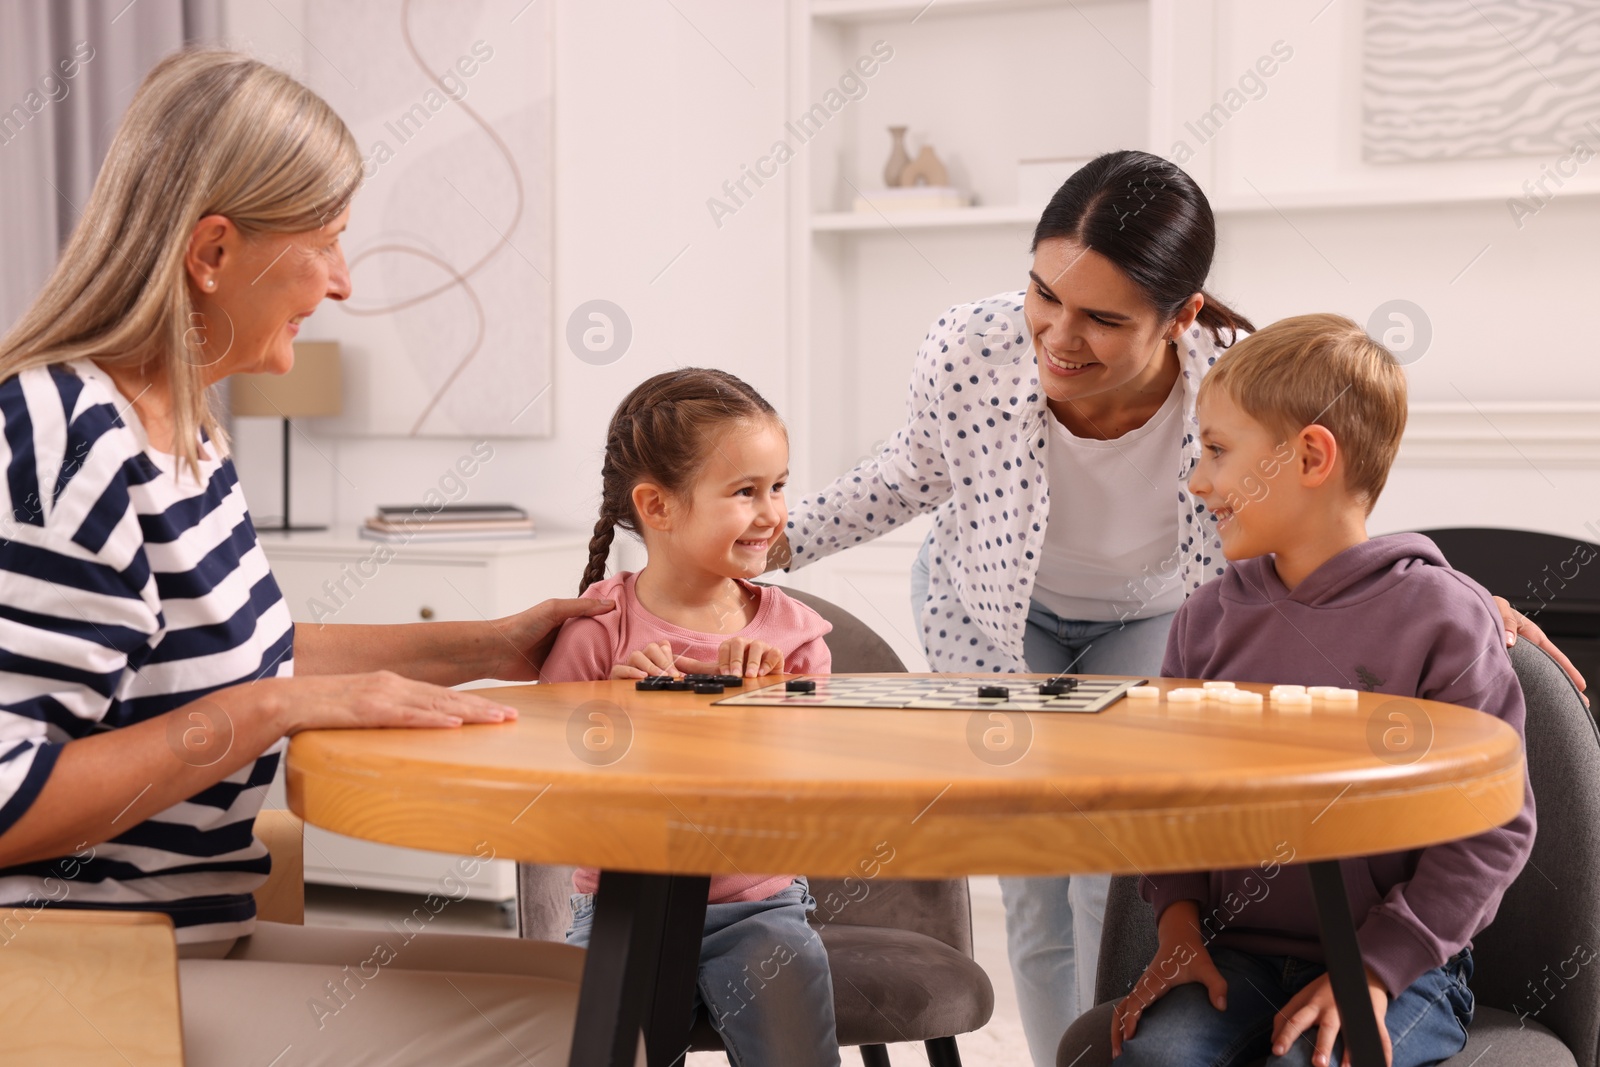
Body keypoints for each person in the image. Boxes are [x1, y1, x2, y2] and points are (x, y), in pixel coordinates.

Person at [772, 150, 1579, 1066]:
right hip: (996, 606)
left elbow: (1330, 509)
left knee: (1102, 864)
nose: (1058, 335)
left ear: (1182, 315)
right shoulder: (972, 350)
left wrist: (1456, 591)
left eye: (1102, 318)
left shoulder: (1233, 384)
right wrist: (748, 544)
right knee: (1035, 878)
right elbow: (903, 475)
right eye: (1044, 293)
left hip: (1150, 607)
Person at [0, 48, 629, 1066]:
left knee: (609, 990)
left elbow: (247, 650)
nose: (340, 282)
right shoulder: (64, 446)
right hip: (71, 969)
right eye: (328, 243)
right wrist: (264, 712)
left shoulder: (182, 432)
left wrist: (495, 642)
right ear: (212, 253)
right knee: (590, 1030)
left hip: (191, 928)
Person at [1108, 314, 1535, 1067]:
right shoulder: (1205, 620)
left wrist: (1374, 968)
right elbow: (1163, 797)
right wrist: (1177, 931)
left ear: (1310, 456)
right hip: (1235, 953)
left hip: (1405, 969)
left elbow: (1492, 825)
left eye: (1216, 450)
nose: (1197, 480)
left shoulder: (1440, 617)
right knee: (1153, 1059)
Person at [539, 368, 841, 1066]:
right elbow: (549, 784)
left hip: (760, 905)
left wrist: (769, 711)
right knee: (580, 1043)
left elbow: (819, 781)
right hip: (622, 909)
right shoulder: (598, 631)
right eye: (745, 491)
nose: (771, 511)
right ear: (657, 505)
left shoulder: (795, 638)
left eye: (777, 486)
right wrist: (609, 716)